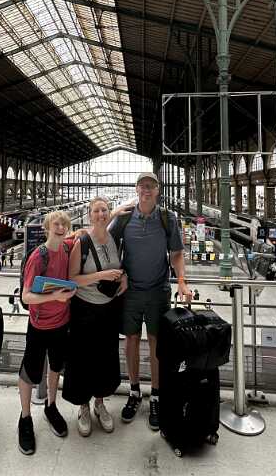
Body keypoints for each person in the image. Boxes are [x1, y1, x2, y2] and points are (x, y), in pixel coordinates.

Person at [109, 172, 189, 431]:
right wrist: (119, 273)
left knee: (156, 343)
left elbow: (176, 253)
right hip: (130, 291)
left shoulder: (168, 218)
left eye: (151, 186)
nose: (146, 189)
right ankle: (134, 392)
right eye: (142, 185)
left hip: (158, 291)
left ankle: (156, 394)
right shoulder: (124, 218)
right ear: (136, 189)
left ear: (157, 191)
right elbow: (105, 242)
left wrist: (182, 281)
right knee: (130, 340)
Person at [63, 197, 125, 437]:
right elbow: (72, 279)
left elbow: (120, 267)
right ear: (90, 215)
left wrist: (123, 277)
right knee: (82, 359)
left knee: (105, 357)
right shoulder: (82, 241)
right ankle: (83, 407)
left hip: (108, 310)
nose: (101, 214)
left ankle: (100, 404)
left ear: (109, 214)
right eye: (96, 210)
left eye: (104, 210)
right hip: (84, 309)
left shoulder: (114, 238)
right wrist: (101, 275)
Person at [16, 210, 75, 456]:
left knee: (55, 366)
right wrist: (56, 296)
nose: (60, 228)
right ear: (47, 227)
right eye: (56, 224)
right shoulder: (38, 256)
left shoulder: (67, 249)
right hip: (39, 325)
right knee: (30, 371)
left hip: (62, 323)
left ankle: (51, 405)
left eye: (64, 225)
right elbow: (26, 296)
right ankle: (25, 418)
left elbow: (86, 232)